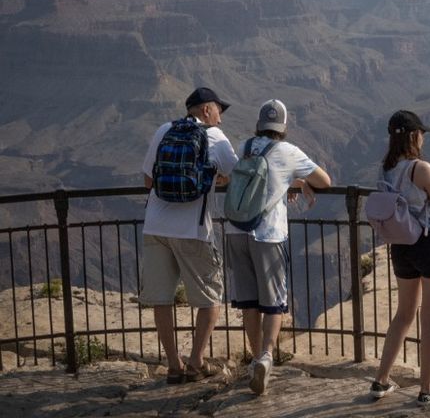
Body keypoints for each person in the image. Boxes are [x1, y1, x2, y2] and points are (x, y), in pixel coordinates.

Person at [225, 99, 332, 395]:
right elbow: (324, 180)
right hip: (267, 234)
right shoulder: (289, 151)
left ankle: (254, 358)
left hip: (235, 230)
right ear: (283, 127)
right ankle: (267, 357)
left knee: (248, 301)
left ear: (259, 125)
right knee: (274, 303)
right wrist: (296, 180)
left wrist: (291, 184)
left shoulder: (244, 146)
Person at [139, 87, 239, 384]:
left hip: (155, 227)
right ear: (207, 110)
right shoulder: (215, 138)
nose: (220, 120)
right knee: (210, 299)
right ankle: (195, 362)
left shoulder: (164, 130)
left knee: (162, 300)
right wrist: (217, 178)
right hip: (192, 231)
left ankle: (173, 365)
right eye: (219, 111)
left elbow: (148, 180)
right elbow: (238, 174)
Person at [369, 110, 430, 406]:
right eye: (421, 132)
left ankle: (381, 380)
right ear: (413, 135)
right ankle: (426, 389)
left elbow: (416, 196)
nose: (423, 137)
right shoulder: (420, 167)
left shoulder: (386, 167)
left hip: (401, 245)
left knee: (404, 313)